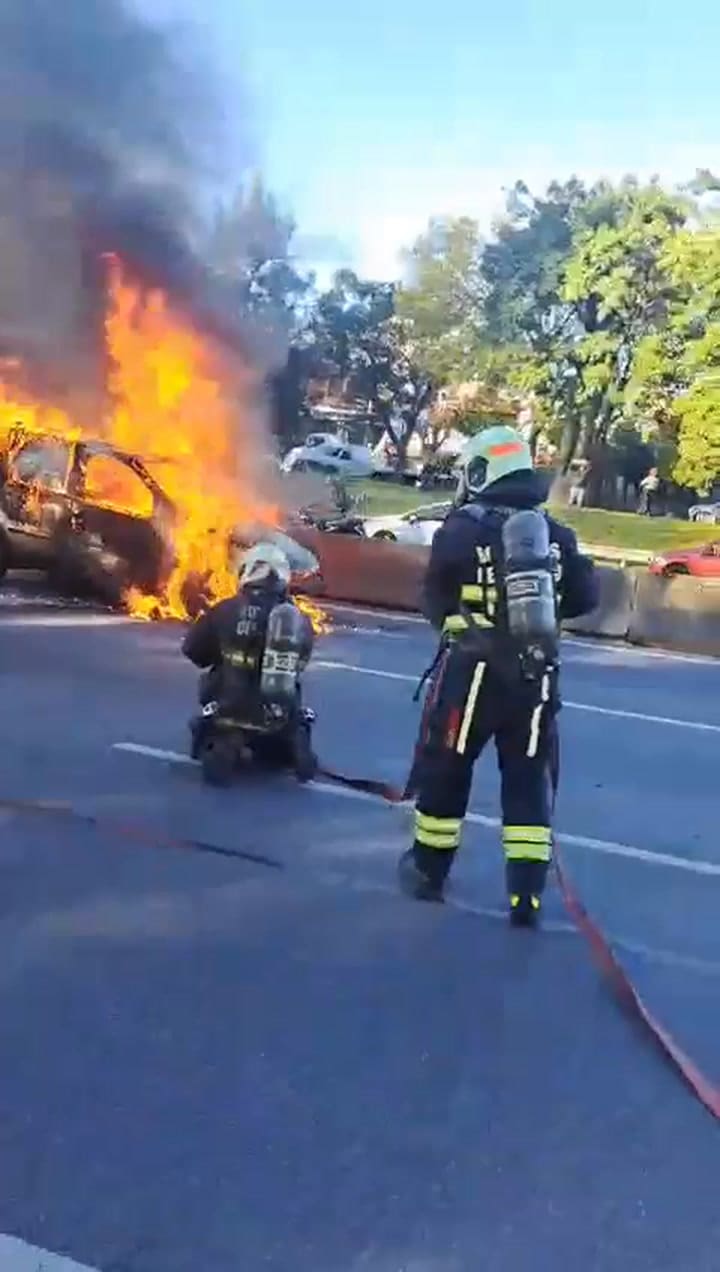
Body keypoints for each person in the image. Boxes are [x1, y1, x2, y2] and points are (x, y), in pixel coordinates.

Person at [398, 425, 599, 926]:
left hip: (473, 675)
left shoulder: (461, 529)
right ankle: (526, 897)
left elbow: (435, 598)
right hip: (536, 676)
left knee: (448, 768)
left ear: (482, 471)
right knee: (527, 781)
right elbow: (584, 599)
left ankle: (428, 871)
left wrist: (463, 626)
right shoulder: (556, 534)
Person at [182, 541, 317, 783]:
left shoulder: (224, 609)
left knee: (206, 705)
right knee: (289, 728)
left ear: (246, 572)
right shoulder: (298, 620)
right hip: (277, 713)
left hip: (229, 706)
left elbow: (193, 651)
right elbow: (300, 663)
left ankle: (227, 743)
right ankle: (292, 741)